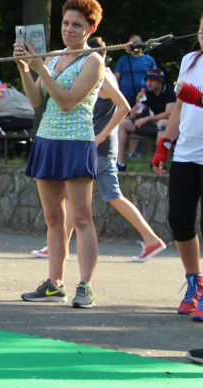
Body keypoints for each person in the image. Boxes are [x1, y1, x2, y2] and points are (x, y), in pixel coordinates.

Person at [30, 37, 167, 262]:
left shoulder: (96, 72)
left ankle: (151, 239)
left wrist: (100, 136)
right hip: (90, 144)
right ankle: (56, 243)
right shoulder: (98, 71)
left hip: (95, 146)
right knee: (76, 200)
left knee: (111, 195)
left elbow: (124, 106)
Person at [16, 0, 105, 308]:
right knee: (54, 218)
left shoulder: (94, 61)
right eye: (66, 22)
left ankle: (86, 286)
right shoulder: (53, 56)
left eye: (77, 25)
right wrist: (26, 69)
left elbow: (67, 101)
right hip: (47, 140)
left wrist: (41, 67)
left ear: (91, 28)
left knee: (81, 218)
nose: (69, 29)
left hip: (76, 143)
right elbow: (36, 100)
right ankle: (54, 283)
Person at [152, 15, 203, 322]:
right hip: (187, 154)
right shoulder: (189, 60)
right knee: (179, 220)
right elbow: (180, 107)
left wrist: (197, 97)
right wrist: (165, 145)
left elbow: (192, 98)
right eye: (201, 27)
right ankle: (195, 282)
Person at [116, 67, 175, 171]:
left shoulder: (170, 91)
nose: (149, 83)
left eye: (152, 80)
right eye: (147, 80)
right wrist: (139, 101)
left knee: (162, 123)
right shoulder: (148, 93)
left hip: (170, 128)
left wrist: (147, 119)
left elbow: (169, 114)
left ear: (160, 81)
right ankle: (120, 164)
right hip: (153, 127)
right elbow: (134, 116)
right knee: (124, 123)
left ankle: (159, 163)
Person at [113, 34, 157, 106]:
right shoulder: (123, 60)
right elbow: (116, 78)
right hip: (125, 97)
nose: (134, 45)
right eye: (132, 43)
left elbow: (155, 78)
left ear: (142, 43)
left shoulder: (149, 60)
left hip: (144, 96)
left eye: (136, 43)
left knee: (143, 116)